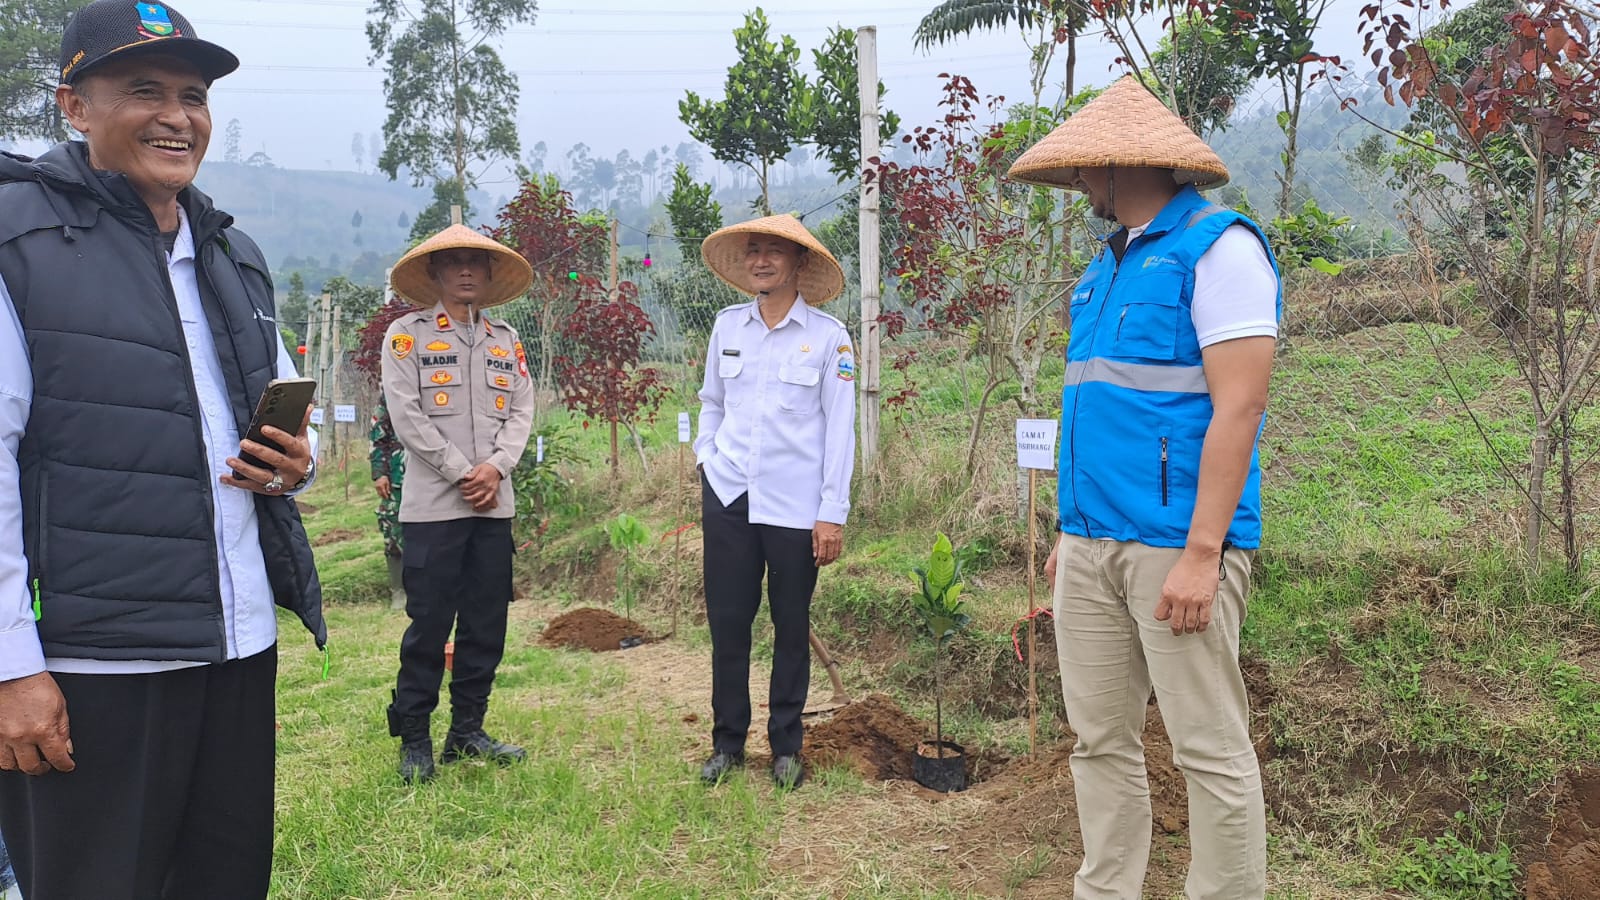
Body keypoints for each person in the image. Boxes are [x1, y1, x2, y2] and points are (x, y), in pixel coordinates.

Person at [0, 2, 326, 897]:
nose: (178, 117)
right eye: (144, 89)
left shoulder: (232, 255)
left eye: (194, 95)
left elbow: (284, 414)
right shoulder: (18, 240)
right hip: (94, 662)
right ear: (73, 104)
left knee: (222, 879)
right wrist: (11, 668)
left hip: (234, 646)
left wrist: (299, 462)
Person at [1008, 76, 1281, 899]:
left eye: (1088, 167)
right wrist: (1069, 530)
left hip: (1176, 550)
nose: (1080, 183)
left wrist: (1204, 553)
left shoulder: (1220, 248)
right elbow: (1092, 408)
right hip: (1092, 546)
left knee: (1207, 748)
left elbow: (1241, 406)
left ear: (1127, 164)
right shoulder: (1102, 272)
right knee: (1099, 741)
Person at [693, 214, 857, 790]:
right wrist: (706, 461)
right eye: (753, 252)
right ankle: (727, 744)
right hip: (730, 495)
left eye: (773, 253)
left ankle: (786, 746)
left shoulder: (829, 337)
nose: (761, 261)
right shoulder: (727, 328)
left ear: (799, 264)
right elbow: (710, 401)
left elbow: (840, 430)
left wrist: (831, 511)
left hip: (794, 506)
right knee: (729, 626)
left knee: (790, 626)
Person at [380, 224, 536, 784]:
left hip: (493, 507)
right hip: (433, 507)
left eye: (477, 262)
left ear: (490, 275)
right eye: (455, 263)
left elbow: (521, 412)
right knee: (429, 624)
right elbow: (406, 416)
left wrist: (495, 468)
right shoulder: (406, 337)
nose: (466, 270)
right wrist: (463, 470)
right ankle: (415, 737)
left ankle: (468, 730)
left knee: (486, 622)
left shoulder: (506, 339)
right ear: (436, 275)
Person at [371, 391, 408, 609]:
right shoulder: (394, 390)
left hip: (434, 473)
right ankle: (399, 591)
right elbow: (378, 434)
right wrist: (379, 472)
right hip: (397, 473)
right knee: (393, 526)